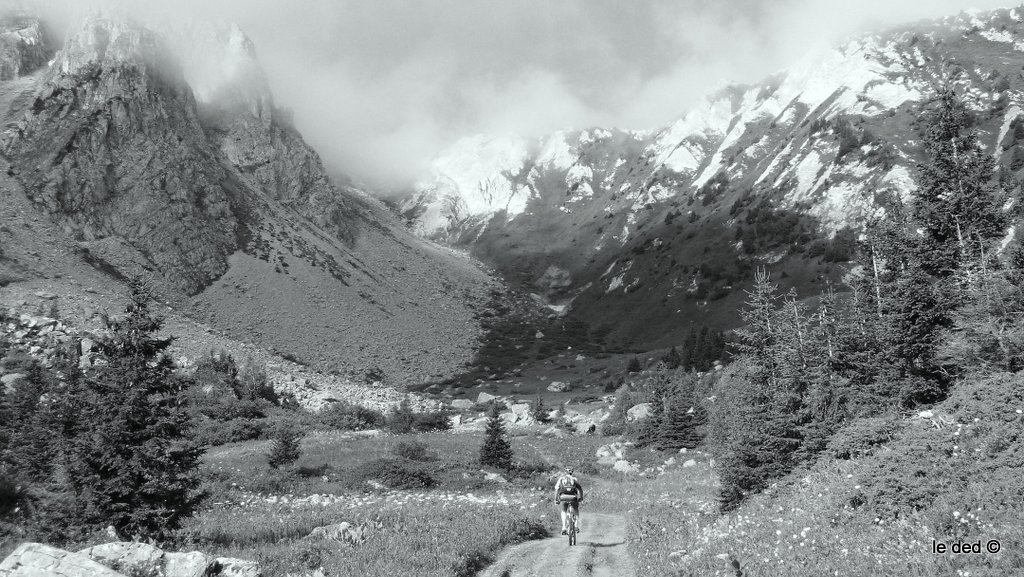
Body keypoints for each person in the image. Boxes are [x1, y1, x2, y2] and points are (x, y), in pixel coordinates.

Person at [554, 466, 583, 535]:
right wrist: (581, 498)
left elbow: (556, 489)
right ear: (572, 472)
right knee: (576, 509)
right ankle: (576, 526)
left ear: (565, 472)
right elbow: (580, 489)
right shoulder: (574, 479)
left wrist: (556, 499)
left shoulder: (561, 479)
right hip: (573, 497)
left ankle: (564, 527)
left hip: (563, 497)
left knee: (563, 511)